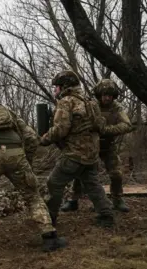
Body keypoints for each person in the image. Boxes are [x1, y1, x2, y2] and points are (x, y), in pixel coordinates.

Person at [0, 88, 66, 252]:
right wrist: (27, 159)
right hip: (16, 155)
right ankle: (49, 237)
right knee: (33, 196)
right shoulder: (8, 112)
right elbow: (31, 137)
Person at [40, 70, 115, 228]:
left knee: (54, 183)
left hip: (74, 154)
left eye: (56, 87)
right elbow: (101, 126)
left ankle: (49, 221)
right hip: (92, 154)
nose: (55, 91)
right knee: (92, 183)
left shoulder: (66, 102)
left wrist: (43, 139)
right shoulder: (91, 102)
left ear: (64, 86)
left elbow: (61, 129)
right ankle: (106, 215)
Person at [61, 79, 134, 213]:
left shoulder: (116, 107)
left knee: (116, 174)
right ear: (99, 94)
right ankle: (73, 200)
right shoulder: (91, 105)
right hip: (91, 145)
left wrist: (107, 130)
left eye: (110, 95)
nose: (107, 98)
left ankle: (117, 199)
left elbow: (127, 125)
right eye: (105, 95)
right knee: (81, 173)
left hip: (108, 145)